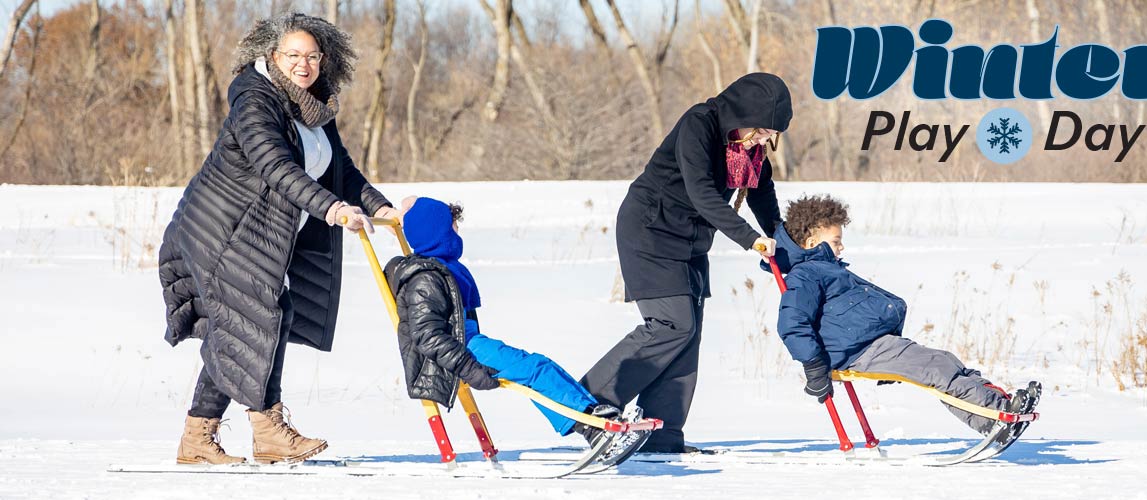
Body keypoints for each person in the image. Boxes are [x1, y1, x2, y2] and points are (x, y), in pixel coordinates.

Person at [159, 13, 402, 465]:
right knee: (259, 316)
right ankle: (267, 430)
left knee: (248, 322)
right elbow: (275, 165)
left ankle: (198, 439)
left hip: (258, 233)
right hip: (218, 230)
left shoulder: (313, 106)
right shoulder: (255, 101)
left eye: (311, 56)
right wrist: (329, 208)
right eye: (292, 56)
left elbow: (341, 171)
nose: (303, 65)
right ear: (272, 56)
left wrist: (379, 206)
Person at [579, 73, 792, 453]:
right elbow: (701, 193)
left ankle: (662, 434)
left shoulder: (747, 150)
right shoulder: (700, 124)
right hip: (650, 230)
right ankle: (586, 404)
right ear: (742, 113)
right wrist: (750, 238)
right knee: (671, 323)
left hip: (691, 242)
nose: (763, 141)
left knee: (687, 333)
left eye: (769, 136)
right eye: (760, 131)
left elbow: (761, 192)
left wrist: (784, 240)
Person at [385, 197, 649, 459]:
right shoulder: (425, 278)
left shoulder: (440, 268)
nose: (457, 233)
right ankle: (595, 430)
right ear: (436, 232)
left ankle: (597, 418)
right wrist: (468, 367)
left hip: (468, 342)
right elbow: (427, 336)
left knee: (539, 366)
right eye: (452, 227)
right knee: (534, 370)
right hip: (459, 352)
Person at [770, 194, 1038, 434]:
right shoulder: (806, 274)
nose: (841, 248)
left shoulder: (828, 269)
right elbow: (792, 323)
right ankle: (993, 418)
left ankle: (1001, 405)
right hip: (856, 352)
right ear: (812, 241)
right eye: (836, 242)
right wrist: (814, 365)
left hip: (873, 345)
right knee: (937, 368)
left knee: (945, 361)